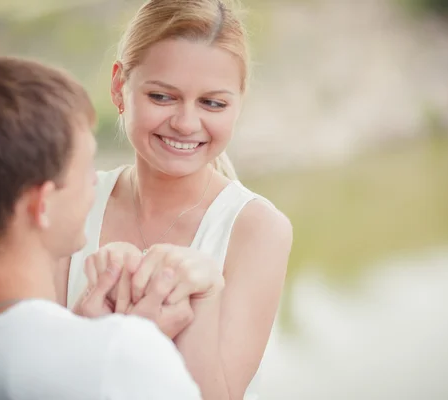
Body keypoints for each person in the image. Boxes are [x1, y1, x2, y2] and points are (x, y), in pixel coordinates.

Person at [0, 56, 201, 400]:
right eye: (84, 169)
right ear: (42, 204)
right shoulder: (123, 356)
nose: (95, 180)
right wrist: (132, 351)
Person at [58, 0, 294, 399]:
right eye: (163, 97)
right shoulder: (71, 201)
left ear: (239, 102)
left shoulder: (259, 230)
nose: (186, 123)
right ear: (119, 87)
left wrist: (205, 298)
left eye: (213, 103)